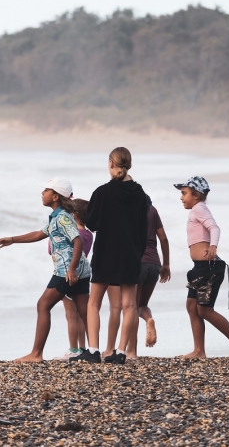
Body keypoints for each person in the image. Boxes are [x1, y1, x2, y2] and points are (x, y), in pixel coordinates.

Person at [0, 177, 91, 363]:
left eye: (45, 191)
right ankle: (93, 351)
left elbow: (78, 242)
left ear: (55, 196)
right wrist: (11, 239)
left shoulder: (62, 218)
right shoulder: (58, 217)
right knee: (85, 311)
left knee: (43, 305)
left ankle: (36, 354)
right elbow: (39, 234)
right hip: (81, 269)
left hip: (66, 270)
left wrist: (71, 269)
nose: (42, 193)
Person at [71, 147, 148, 365]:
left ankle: (94, 350)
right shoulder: (140, 193)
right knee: (129, 305)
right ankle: (121, 352)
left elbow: (92, 224)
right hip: (131, 253)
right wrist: (138, 253)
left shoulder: (102, 193)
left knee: (94, 302)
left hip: (106, 252)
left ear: (111, 164)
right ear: (129, 165)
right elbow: (143, 227)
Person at [175, 176, 229, 358]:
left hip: (209, 267)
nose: (181, 197)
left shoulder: (199, 208)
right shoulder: (196, 210)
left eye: (184, 193)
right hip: (199, 267)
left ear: (197, 195)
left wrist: (213, 246)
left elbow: (215, 228)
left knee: (204, 310)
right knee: (192, 306)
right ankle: (199, 351)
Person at [103, 199, 171, 358]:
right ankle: (148, 319)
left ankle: (131, 351)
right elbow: (163, 238)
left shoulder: (129, 211)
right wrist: (166, 264)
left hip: (137, 263)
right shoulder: (153, 210)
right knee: (142, 305)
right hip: (154, 265)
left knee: (131, 307)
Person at [54, 198, 92, 360]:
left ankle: (73, 348)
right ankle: (84, 347)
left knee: (71, 316)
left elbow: (51, 249)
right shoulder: (88, 235)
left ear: (74, 215)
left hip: (67, 273)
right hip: (83, 274)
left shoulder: (72, 234)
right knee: (82, 315)